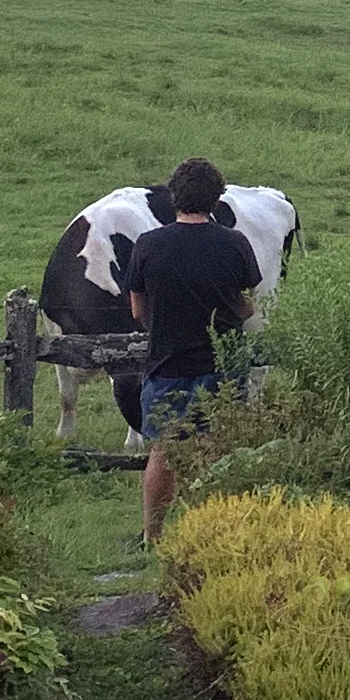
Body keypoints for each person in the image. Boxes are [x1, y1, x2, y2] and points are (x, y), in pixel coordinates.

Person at [126, 156, 260, 541]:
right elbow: (248, 303)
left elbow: (137, 308)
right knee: (218, 450)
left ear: (173, 198)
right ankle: (214, 531)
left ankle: (153, 535)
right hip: (223, 364)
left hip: (168, 364)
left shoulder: (149, 245)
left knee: (163, 453)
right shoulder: (235, 243)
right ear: (217, 200)